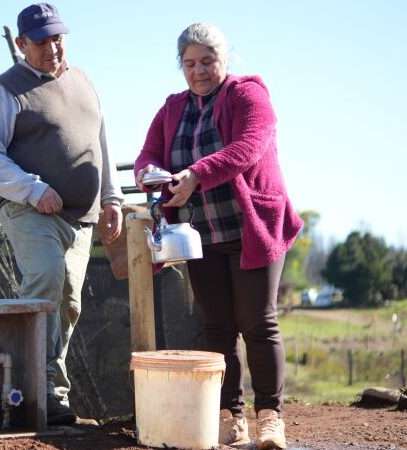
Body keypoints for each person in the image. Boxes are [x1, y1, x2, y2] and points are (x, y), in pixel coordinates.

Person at [134, 23, 303, 449]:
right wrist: (148, 175)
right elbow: (147, 156)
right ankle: (232, 418)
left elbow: (246, 148)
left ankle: (271, 418)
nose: (199, 71)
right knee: (217, 328)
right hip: (200, 232)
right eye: (189, 64)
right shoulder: (172, 109)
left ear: (224, 59)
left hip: (251, 227)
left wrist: (195, 174)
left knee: (258, 323)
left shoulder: (248, 95)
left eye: (207, 61)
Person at [0, 2, 124, 425]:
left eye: (57, 37)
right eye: (41, 41)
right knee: (46, 278)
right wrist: (32, 188)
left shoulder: (84, 80)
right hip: (28, 210)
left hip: (81, 216)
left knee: (69, 302)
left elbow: (101, 144)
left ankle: (45, 390)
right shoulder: (5, 89)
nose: (53, 47)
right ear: (22, 44)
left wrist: (112, 198)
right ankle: (34, 390)